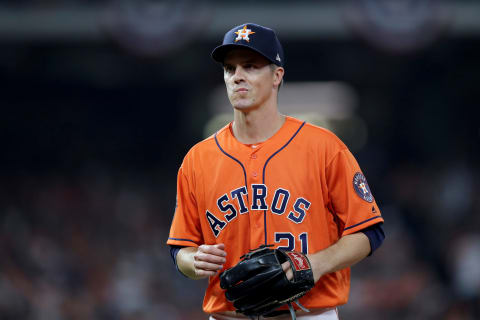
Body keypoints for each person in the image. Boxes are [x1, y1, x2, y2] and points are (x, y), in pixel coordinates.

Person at [167, 23, 385, 320]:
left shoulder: (324, 147)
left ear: (277, 76)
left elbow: (368, 231)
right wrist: (194, 260)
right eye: (230, 69)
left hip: (309, 314)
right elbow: (180, 250)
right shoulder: (198, 159)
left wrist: (315, 263)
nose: (238, 76)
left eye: (251, 66)